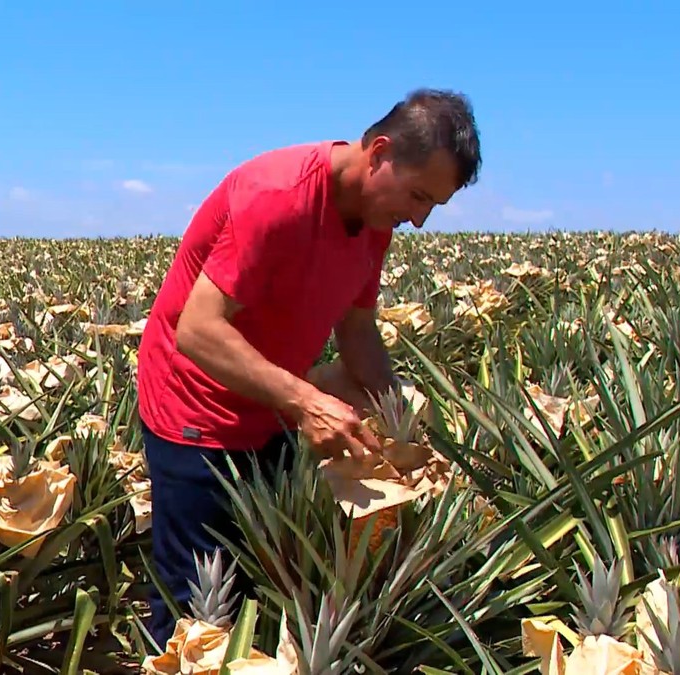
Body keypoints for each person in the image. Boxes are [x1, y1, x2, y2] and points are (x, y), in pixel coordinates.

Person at [134, 88, 482, 649]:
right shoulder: (279, 196)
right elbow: (197, 331)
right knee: (189, 607)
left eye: (431, 207)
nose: (417, 219)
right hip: (194, 411)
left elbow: (359, 331)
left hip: (271, 407)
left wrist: (403, 426)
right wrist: (306, 402)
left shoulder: (374, 218)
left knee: (252, 582)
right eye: (418, 196)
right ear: (380, 153)